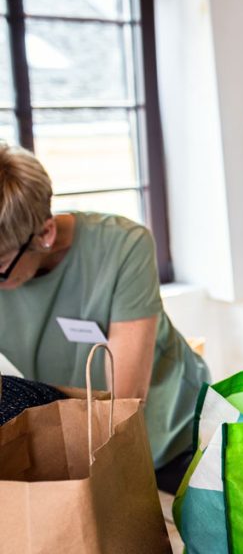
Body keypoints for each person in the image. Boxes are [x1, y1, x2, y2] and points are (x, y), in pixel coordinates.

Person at [0, 144, 210, 493]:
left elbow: (123, 404)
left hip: (169, 442)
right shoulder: (11, 253)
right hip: (73, 446)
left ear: (45, 234)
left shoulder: (123, 247)